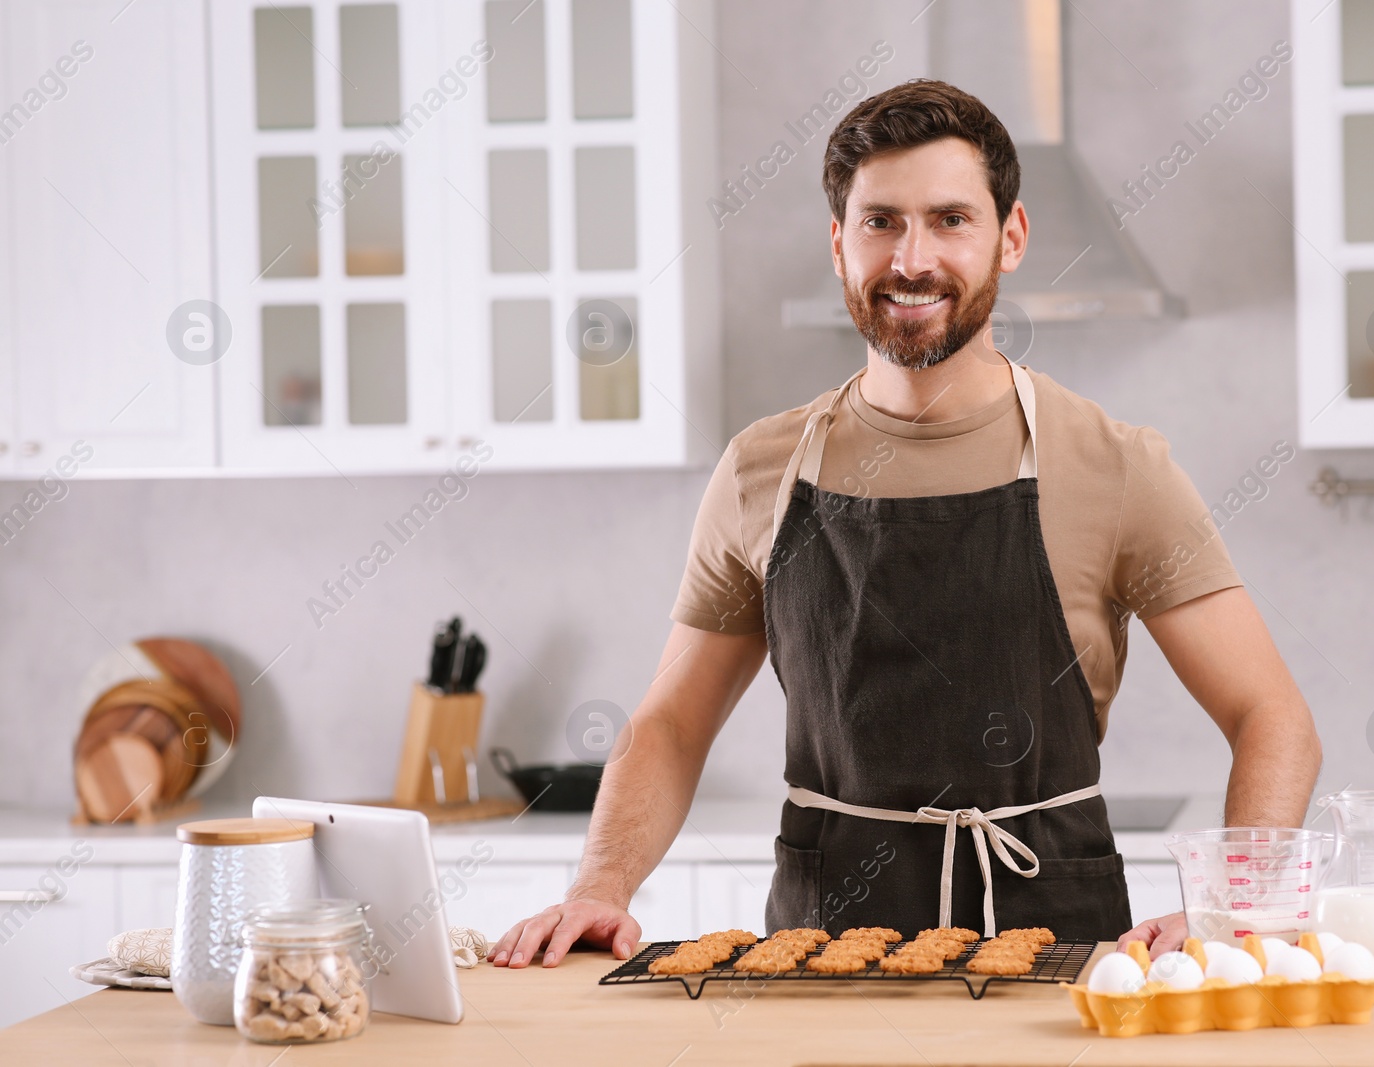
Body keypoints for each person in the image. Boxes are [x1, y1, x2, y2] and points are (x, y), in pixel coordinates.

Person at [490, 79, 1321, 968]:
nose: (911, 259)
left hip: (1058, 956)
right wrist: (599, 888)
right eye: (881, 221)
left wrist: (1237, 907)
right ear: (839, 243)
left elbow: (1271, 713)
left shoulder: (1116, 465)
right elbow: (669, 725)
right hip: (821, 956)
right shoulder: (759, 472)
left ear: (1011, 238)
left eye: (950, 219)